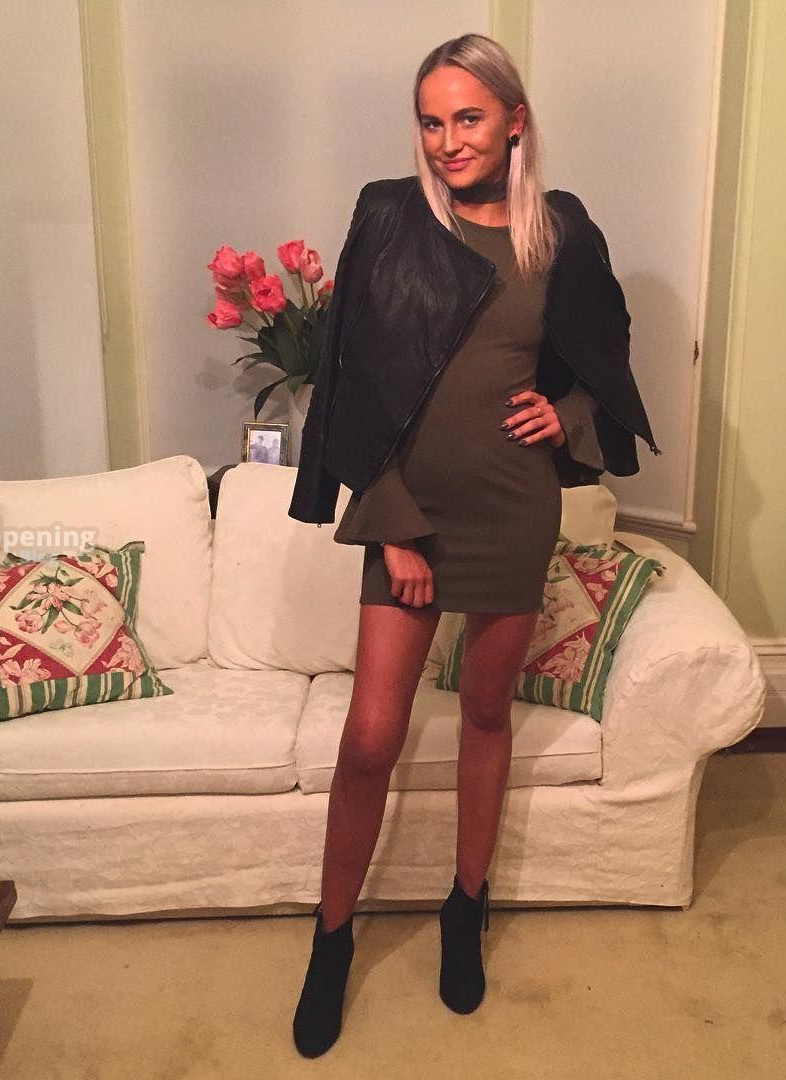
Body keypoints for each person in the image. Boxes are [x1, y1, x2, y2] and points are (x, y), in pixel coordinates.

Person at [288, 33, 659, 1059]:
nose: (448, 140)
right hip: (409, 514)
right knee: (371, 740)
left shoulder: (561, 229)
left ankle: (465, 906)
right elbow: (351, 374)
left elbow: (606, 354)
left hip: (512, 506)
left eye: (468, 117)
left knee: (488, 712)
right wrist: (394, 523)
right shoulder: (390, 215)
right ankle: (331, 938)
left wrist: (567, 413)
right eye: (431, 121)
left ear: (513, 121)